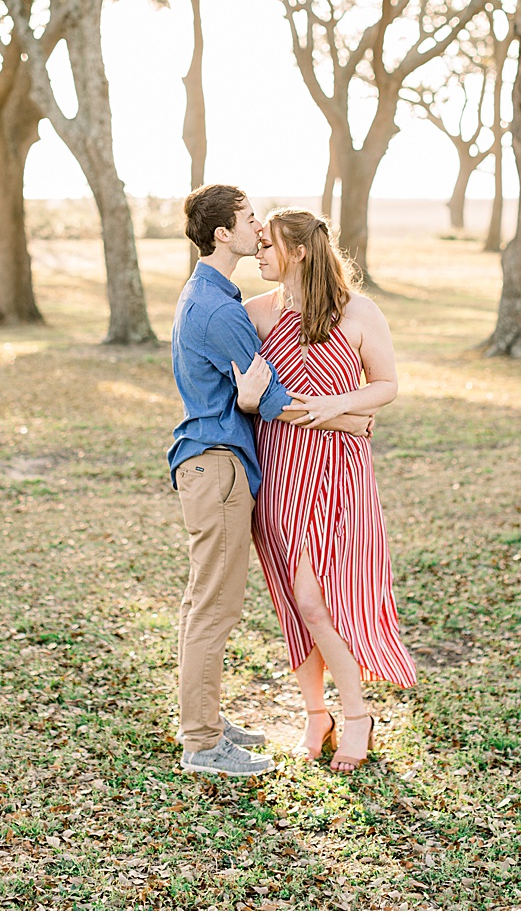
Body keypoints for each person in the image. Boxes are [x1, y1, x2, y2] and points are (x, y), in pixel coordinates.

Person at [166, 184, 373, 777]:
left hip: (210, 463)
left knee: (203, 603)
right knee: (213, 608)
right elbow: (269, 397)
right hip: (219, 465)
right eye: (250, 219)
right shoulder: (223, 309)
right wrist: (352, 415)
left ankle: (203, 717)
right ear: (224, 234)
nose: (260, 228)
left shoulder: (205, 292)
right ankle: (203, 742)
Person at [243, 208, 417, 772]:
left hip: (340, 474)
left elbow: (386, 385)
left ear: (296, 249)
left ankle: (357, 713)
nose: (258, 254)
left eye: (266, 245)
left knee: (320, 600)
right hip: (280, 470)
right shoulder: (256, 314)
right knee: (295, 601)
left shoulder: (359, 312)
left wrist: (342, 408)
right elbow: (247, 395)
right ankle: (316, 713)